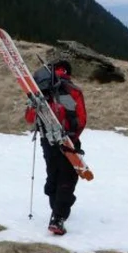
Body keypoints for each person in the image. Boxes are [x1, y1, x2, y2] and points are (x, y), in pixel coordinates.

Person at [25, 59, 87, 235]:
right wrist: (74, 138)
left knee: (53, 173)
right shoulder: (72, 91)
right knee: (68, 177)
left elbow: (30, 118)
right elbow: (81, 119)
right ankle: (58, 218)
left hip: (47, 140)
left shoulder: (41, 89)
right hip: (67, 140)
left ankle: (56, 204)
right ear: (67, 72)